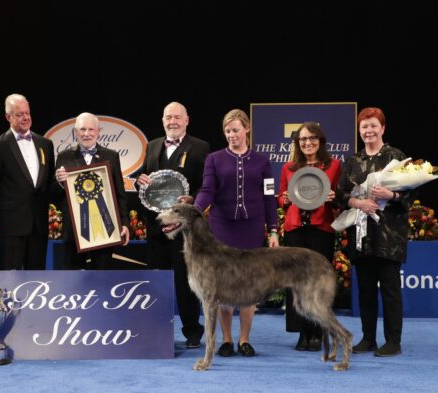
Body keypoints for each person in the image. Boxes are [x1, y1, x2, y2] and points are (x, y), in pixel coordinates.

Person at [193, 109, 279, 357]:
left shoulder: (262, 161)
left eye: (236, 130)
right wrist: (196, 210)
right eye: (227, 131)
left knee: (249, 285)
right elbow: (207, 190)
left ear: (247, 129)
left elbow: (268, 198)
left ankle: (244, 340)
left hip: (252, 228)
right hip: (222, 228)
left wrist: (273, 230)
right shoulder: (214, 159)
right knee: (223, 286)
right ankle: (227, 340)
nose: (231, 135)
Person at [336, 107, 412, 357]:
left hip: (389, 236)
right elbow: (341, 195)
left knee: (390, 290)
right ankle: (368, 338)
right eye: (364, 127)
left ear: (382, 128)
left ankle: (393, 341)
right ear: (359, 131)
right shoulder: (352, 161)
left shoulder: (396, 157)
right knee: (366, 291)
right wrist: (359, 203)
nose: (368, 131)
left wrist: (392, 195)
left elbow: (412, 191)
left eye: (372, 126)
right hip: (361, 236)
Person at [136, 102, 209, 349]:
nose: (172, 121)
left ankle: (192, 331)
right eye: (168, 117)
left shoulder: (200, 147)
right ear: (162, 120)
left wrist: (193, 200)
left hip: (185, 229)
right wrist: (140, 181)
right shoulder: (153, 145)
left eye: (177, 117)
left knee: (186, 281)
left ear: (187, 120)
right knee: (157, 280)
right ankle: (157, 329)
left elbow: (205, 185)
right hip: (157, 227)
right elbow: (146, 181)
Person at [278, 122, 341, 352]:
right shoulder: (289, 168)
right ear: (297, 143)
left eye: (312, 138)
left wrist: (334, 198)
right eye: (303, 139)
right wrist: (283, 199)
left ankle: (318, 331)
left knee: (318, 282)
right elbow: (281, 198)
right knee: (296, 283)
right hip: (295, 230)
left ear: (320, 141)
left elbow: (339, 198)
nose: (307, 143)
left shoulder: (333, 165)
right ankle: (302, 333)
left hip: (320, 230)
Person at [0, 94, 55, 270]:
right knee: (10, 277)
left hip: (39, 223)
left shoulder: (45, 144)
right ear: (8, 117)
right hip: (11, 224)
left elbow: (48, 182)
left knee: (37, 278)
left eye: (27, 113)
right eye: (19, 114)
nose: (25, 118)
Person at [53, 113, 129, 269]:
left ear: (98, 131)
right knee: (73, 280)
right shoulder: (63, 156)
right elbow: (52, 193)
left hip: (104, 230)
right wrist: (60, 183)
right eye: (82, 129)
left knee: (101, 279)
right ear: (75, 132)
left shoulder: (111, 156)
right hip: (74, 232)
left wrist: (124, 223)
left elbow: (119, 192)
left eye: (90, 129)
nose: (86, 134)